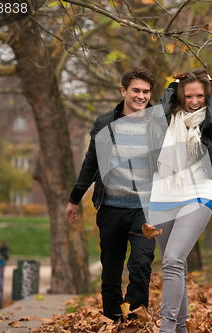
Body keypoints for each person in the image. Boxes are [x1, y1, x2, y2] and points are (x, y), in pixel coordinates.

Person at [65, 66, 157, 321]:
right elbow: (90, 163)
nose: (141, 96)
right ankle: (114, 320)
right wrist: (74, 199)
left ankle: (135, 319)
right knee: (111, 274)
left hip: (145, 209)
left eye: (146, 92)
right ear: (123, 90)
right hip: (111, 208)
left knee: (140, 266)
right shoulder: (104, 123)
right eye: (136, 90)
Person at [149, 68, 212, 333]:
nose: (194, 101)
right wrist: (173, 84)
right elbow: (157, 114)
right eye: (189, 95)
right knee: (175, 265)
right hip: (162, 197)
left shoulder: (208, 122)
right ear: (181, 96)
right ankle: (181, 328)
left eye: (201, 96)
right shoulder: (167, 120)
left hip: (197, 195)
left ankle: (167, 327)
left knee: (172, 258)